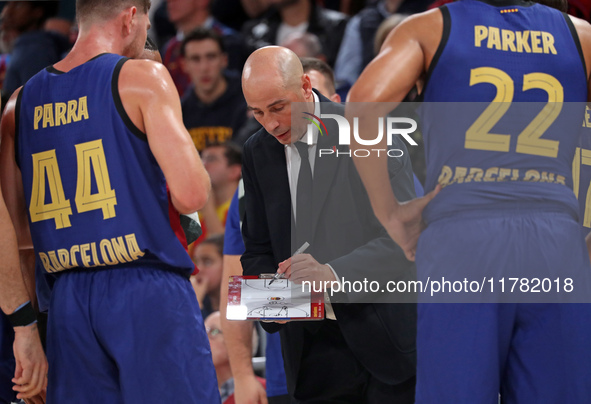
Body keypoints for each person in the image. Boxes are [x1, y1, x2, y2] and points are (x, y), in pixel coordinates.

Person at [348, 0, 591, 402]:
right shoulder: (580, 36)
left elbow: (362, 106)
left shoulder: (430, 28)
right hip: (556, 239)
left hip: (464, 238)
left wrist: (390, 213)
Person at [0, 0, 220, 402]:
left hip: (65, 300)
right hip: (145, 286)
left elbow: (17, 239)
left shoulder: (19, 103)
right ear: (130, 17)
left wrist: (30, 331)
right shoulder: (142, 77)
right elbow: (192, 193)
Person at [240, 46, 417, 403]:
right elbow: (257, 250)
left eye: (278, 107)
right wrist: (275, 302)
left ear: (306, 86)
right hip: (311, 355)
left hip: (383, 342)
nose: (270, 123)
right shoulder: (257, 151)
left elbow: (404, 237)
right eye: (257, 112)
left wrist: (332, 274)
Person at [180, 28, 249, 150]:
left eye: (211, 57)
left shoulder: (248, 102)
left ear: (224, 60)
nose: (204, 68)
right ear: (184, 65)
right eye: (195, 59)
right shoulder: (179, 112)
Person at [163, 0, 244, 96]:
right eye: (195, 58)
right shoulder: (168, 49)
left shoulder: (231, 42)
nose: (170, 2)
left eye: (211, 57)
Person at [205, 311, 266, 404]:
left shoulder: (264, 391)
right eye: (203, 331)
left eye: (214, 331)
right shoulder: (194, 391)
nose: (204, 338)